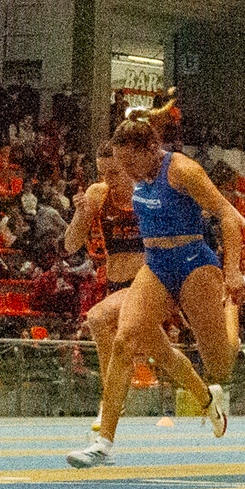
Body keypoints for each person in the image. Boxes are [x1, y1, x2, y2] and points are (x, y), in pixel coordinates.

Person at [67, 103, 245, 467]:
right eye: (120, 165)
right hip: (156, 265)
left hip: (194, 263)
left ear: (149, 150)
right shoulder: (133, 174)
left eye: (129, 164)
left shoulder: (183, 170)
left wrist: (232, 272)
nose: (126, 173)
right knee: (124, 340)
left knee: (220, 364)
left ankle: (234, 302)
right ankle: (102, 443)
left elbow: (224, 214)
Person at [61, 144, 152, 464]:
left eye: (114, 172)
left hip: (148, 284)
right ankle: (208, 397)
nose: (107, 179)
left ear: (129, 165)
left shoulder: (148, 192)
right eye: (102, 173)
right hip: (115, 287)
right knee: (163, 355)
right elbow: (70, 244)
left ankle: (108, 404)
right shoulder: (98, 194)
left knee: (97, 318)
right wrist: (81, 214)